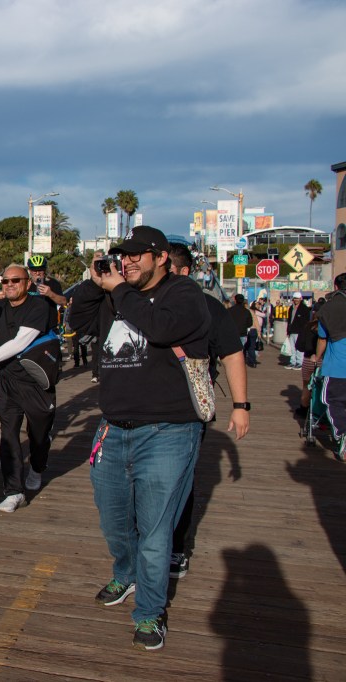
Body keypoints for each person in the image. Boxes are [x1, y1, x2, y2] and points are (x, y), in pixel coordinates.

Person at [68, 226, 210, 652]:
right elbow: (76, 324)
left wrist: (119, 290)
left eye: (136, 255)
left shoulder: (183, 293)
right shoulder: (116, 294)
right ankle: (126, 573)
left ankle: (149, 612)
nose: (126, 262)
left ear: (161, 257)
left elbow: (160, 329)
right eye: (122, 255)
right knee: (113, 520)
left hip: (168, 430)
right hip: (113, 428)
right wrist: (94, 283)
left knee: (154, 529)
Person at [166, 243, 249, 580]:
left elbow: (232, 354)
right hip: (138, 411)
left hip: (187, 412)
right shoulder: (140, 303)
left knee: (179, 481)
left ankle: (176, 546)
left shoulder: (208, 306)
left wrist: (240, 406)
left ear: (183, 272)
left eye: (166, 267)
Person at [0, 264, 57, 513]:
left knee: (39, 435)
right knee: (8, 435)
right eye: (5, 281)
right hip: (7, 380)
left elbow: (20, 342)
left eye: (16, 280)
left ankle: (37, 467)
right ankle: (14, 491)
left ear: (28, 282)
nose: (10, 285)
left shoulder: (39, 306)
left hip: (37, 380)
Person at [316, 273, 346, 460]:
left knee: (334, 402)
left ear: (336, 287)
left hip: (338, 368)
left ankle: (343, 436)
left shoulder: (328, 308)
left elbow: (322, 339)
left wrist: (316, 357)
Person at [26, 255, 67, 331]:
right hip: (30, 326)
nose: (37, 273)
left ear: (44, 270)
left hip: (49, 327)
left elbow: (63, 302)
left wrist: (50, 294)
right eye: (34, 270)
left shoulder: (53, 283)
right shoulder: (25, 284)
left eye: (40, 270)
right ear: (30, 271)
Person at [227, 294, 257, 367]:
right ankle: (239, 364)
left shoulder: (230, 311)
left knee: (232, 349)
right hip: (243, 333)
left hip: (232, 333)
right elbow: (250, 323)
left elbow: (225, 321)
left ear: (235, 300)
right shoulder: (246, 311)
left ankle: (233, 363)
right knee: (240, 350)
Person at [286, 292, 309, 369]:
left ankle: (299, 362)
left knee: (299, 348)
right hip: (292, 331)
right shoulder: (291, 308)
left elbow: (306, 321)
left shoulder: (304, 309)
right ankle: (292, 362)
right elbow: (289, 320)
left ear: (301, 299)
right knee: (292, 348)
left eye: (297, 298)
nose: (296, 300)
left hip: (300, 332)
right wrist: (288, 331)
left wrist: (304, 331)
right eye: (295, 298)